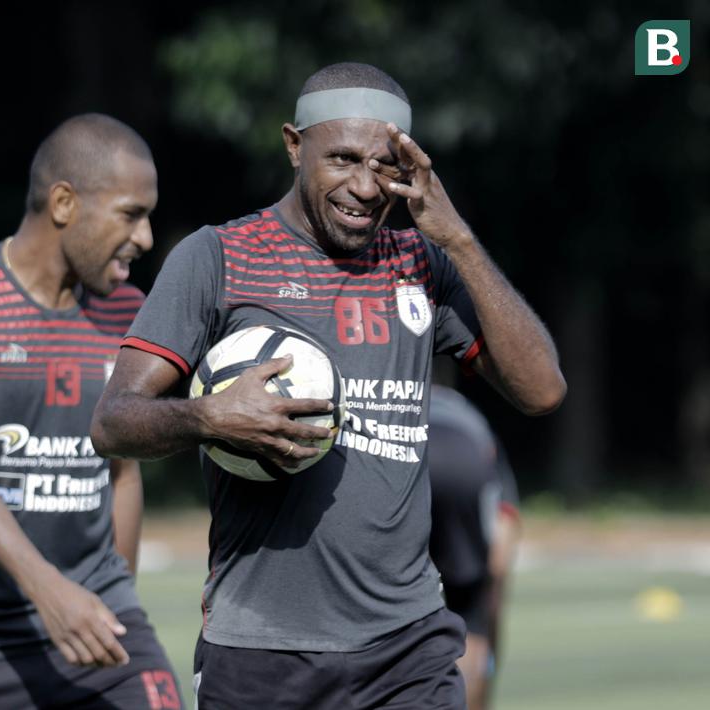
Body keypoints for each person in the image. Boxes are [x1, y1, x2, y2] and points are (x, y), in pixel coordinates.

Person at [92, 62, 565, 709]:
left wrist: (455, 238)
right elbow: (113, 422)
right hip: (260, 651)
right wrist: (206, 418)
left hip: (408, 646)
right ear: (293, 145)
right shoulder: (218, 258)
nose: (366, 187)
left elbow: (540, 389)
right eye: (342, 159)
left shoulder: (421, 262)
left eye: (384, 168)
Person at [0, 113, 182, 709]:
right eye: (131, 214)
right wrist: (49, 592)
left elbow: (123, 471)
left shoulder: (130, 312)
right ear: (64, 203)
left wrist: (113, 599)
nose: (147, 237)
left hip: (92, 620)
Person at [428, 385, 522, 710]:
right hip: (460, 459)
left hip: (395, 460)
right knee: (471, 615)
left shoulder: (385, 390)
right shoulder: (470, 416)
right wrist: (487, 608)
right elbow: (504, 530)